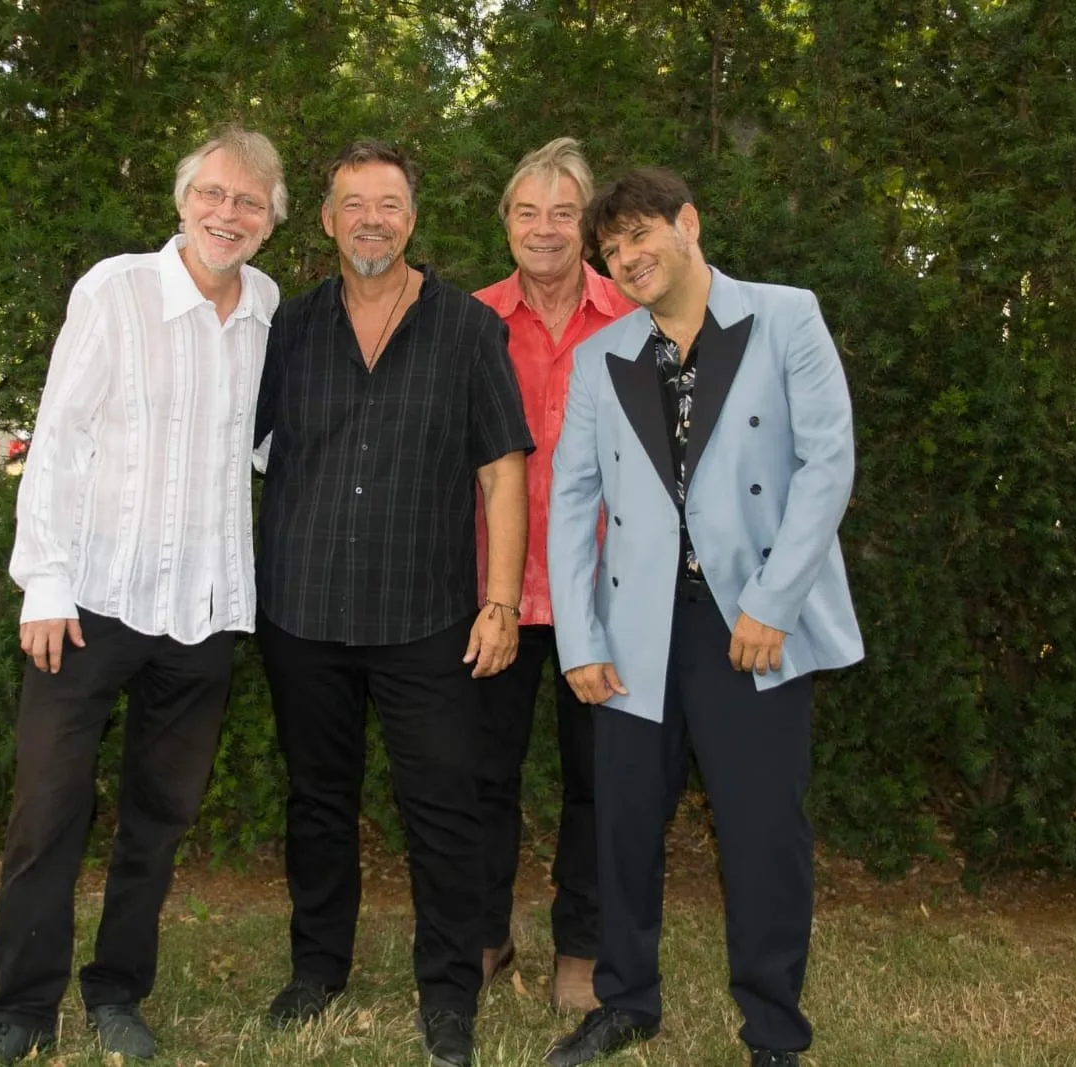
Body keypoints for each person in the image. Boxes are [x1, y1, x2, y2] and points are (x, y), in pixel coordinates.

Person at [0, 127, 287, 1067]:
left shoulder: (266, 307)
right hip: (90, 603)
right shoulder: (115, 289)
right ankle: (18, 1009)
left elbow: (265, 445)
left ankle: (118, 990)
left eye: (249, 202)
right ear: (184, 200)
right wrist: (44, 582)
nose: (228, 213)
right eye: (213, 193)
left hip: (204, 610)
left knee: (159, 820)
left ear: (271, 222)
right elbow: (57, 437)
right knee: (47, 810)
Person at [542, 167, 864, 1067]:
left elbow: (827, 465)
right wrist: (581, 637)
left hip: (750, 619)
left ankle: (773, 1031)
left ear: (688, 223)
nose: (629, 257)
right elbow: (572, 504)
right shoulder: (602, 355)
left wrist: (772, 603)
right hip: (637, 628)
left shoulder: (785, 316)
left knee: (764, 832)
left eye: (641, 236)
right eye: (613, 249)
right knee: (625, 824)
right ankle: (626, 1000)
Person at [253, 139, 533, 1067]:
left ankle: (449, 993)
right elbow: (233, 449)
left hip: (428, 616)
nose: (371, 219)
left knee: (444, 810)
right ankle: (316, 971)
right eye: (352, 203)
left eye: (390, 204)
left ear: (413, 218)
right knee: (317, 803)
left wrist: (499, 604)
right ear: (327, 219)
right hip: (304, 608)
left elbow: (502, 472)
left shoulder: (466, 328)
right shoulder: (285, 330)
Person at [470, 137, 635, 1014]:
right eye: (527, 212)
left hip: (604, 595)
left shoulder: (633, 316)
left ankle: (584, 944)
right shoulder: (467, 320)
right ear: (506, 224)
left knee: (598, 778)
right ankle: (485, 934)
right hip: (492, 592)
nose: (545, 229)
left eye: (563, 213)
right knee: (481, 773)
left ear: (588, 225)